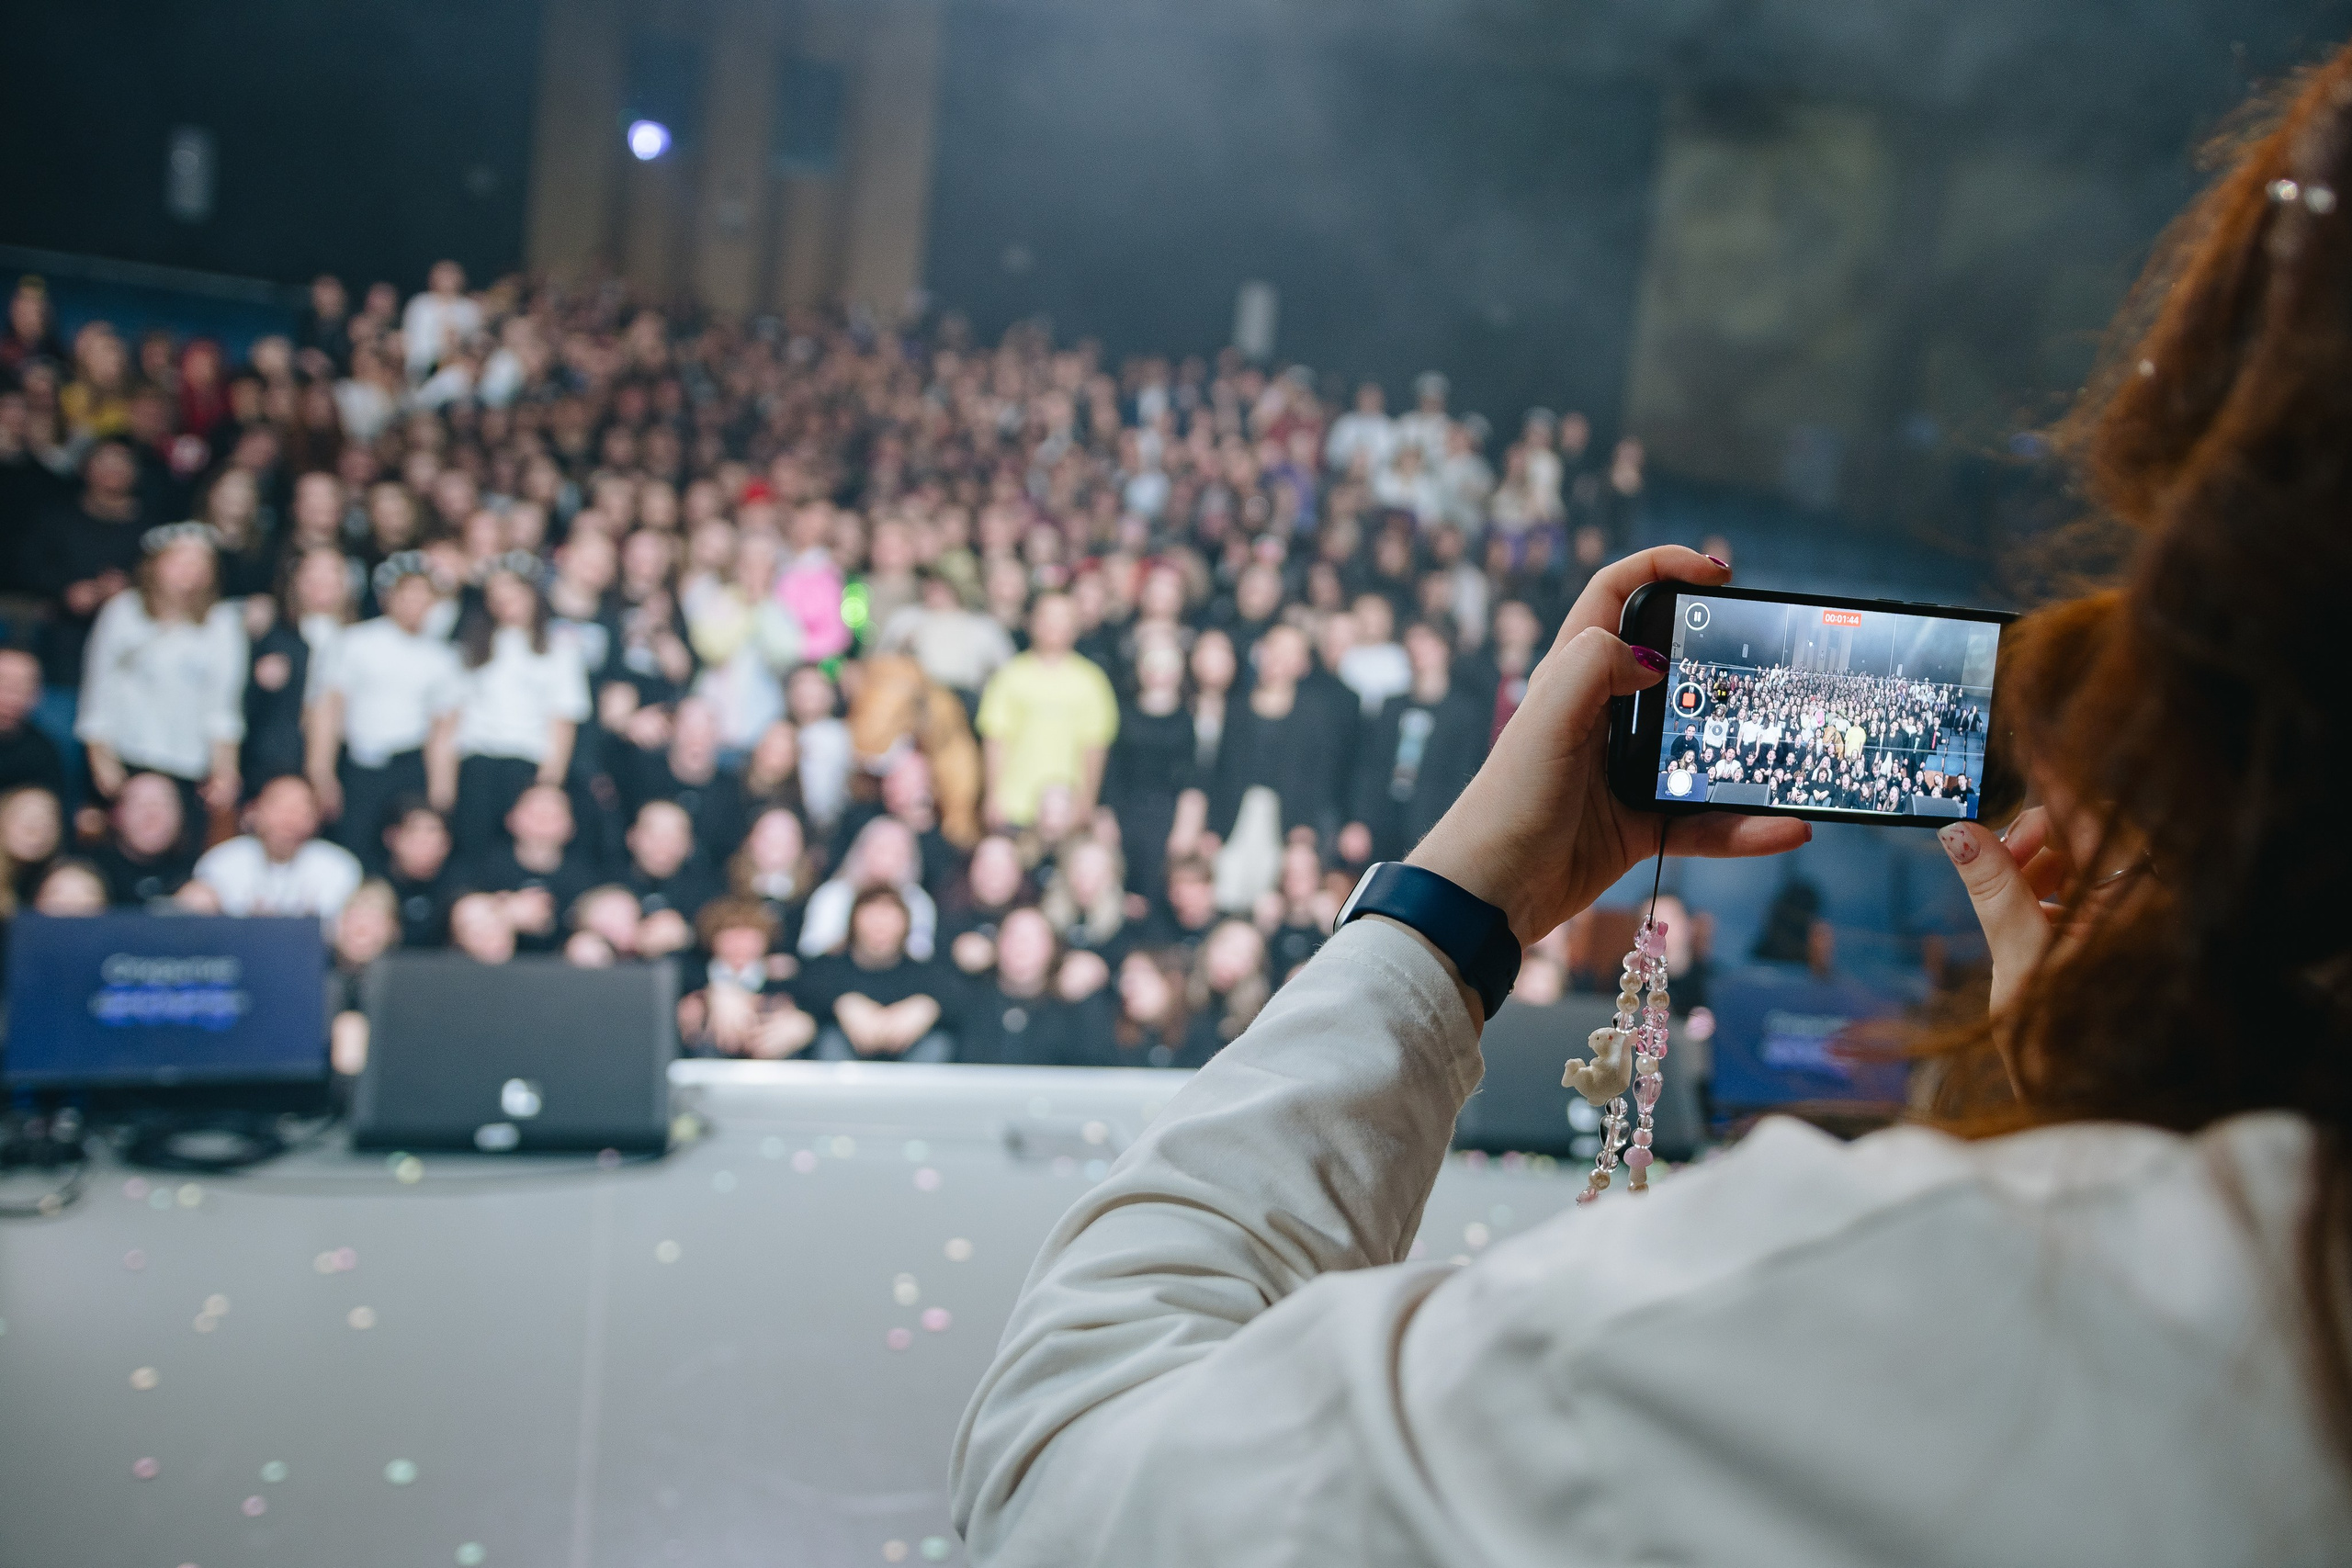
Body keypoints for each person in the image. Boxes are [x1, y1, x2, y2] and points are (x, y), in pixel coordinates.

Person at [74, 525, 246, 829]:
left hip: (188, 764)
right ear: (156, 565)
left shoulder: (222, 624)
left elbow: (223, 705)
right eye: (180, 561)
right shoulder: (123, 611)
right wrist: (100, 758)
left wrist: (224, 770)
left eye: (199, 564)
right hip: (122, 756)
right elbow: (98, 691)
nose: (189, 572)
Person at [306, 555, 462, 873]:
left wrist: (440, 791)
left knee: (405, 859)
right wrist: (321, 772)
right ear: (388, 597)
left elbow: (442, 731)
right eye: (408, 593)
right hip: (359, 764)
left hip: (408, 765)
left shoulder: (442, 657)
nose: (416, 603)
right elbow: (328, 711)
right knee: (353, 849)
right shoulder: (354, 641)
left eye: (425, 595)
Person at [448, 554, 589, 856]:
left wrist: (549, 784)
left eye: (514, 590)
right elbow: (451, 718)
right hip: (477, 763)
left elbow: (563, 720)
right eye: (497, 593)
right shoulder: (472, 647)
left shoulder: (559, 648)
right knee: (474, 848)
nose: (506, 600)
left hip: (528, 765)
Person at [1341, 618, 1490, 864]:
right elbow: (1369, 767)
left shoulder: (1466, 713)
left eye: (1427, 642)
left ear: (1445, 649)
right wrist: (1360, 820)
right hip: (1384, 823)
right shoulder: (1391, 707)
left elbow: (1465, 775)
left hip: (1435, 826)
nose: (1418, 650)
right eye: (1413, 643)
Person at [976, 592, 1120, 831]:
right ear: (1031, 622)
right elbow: (996, 739)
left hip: (1065, 811)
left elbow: (1095, 746)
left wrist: (1086, 802)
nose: (1054, 626)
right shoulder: (1009, 676)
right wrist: (993, 796)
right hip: (1015, 806)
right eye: (1047, 617)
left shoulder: (1092, 681)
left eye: (1063, 618)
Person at [794, 886, 956, 1062]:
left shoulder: (924, 972)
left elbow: (962, 1000)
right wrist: (842, 1003)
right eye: (871, 918)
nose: (880, 927)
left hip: (908, 1071)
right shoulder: (829, 968)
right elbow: (804, 987)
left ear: (906, 926)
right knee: (831, 1039)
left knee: (937, 1043)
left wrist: (928, 1007)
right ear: (853, 923)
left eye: (889, 918)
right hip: (846, 1069)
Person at [183, 775, 362, 926]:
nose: (290, 819)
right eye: (281, 807)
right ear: (254, 812)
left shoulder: (339, 867)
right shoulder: (221, 862)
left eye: (301, 810)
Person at [469, 783, 600, 953]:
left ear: (571, 826)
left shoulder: (584, 876)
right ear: (510, 819)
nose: (543, 820)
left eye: (553, 814)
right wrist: (502, 912)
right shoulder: (487, 866)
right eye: (534, 813)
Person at [91, 771, 194, 907]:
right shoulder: (93, 870)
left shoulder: (199, 871)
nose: (152, 814)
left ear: (181, 816)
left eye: (163, 804)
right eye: (140, 804)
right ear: (116, 815)